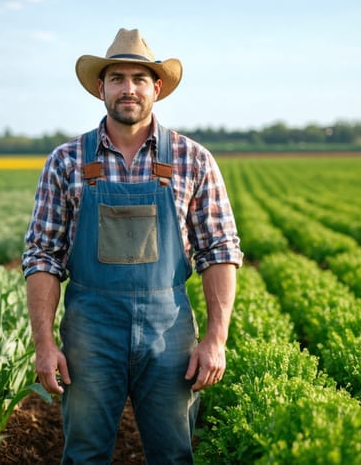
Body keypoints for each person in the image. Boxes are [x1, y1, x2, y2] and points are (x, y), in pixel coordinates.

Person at [22, 28, 243, 465]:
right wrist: (44, 345)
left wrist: (216, 339)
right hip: (91, 332)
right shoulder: (66, 161)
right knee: (84, 453)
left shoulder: (192, 159)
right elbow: (42, 256)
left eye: (139, 79)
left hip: (169, 332)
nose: (128, 89)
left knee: (173, 454)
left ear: (156, 89)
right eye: (117, 78)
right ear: (100, 88)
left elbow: (219, 250)